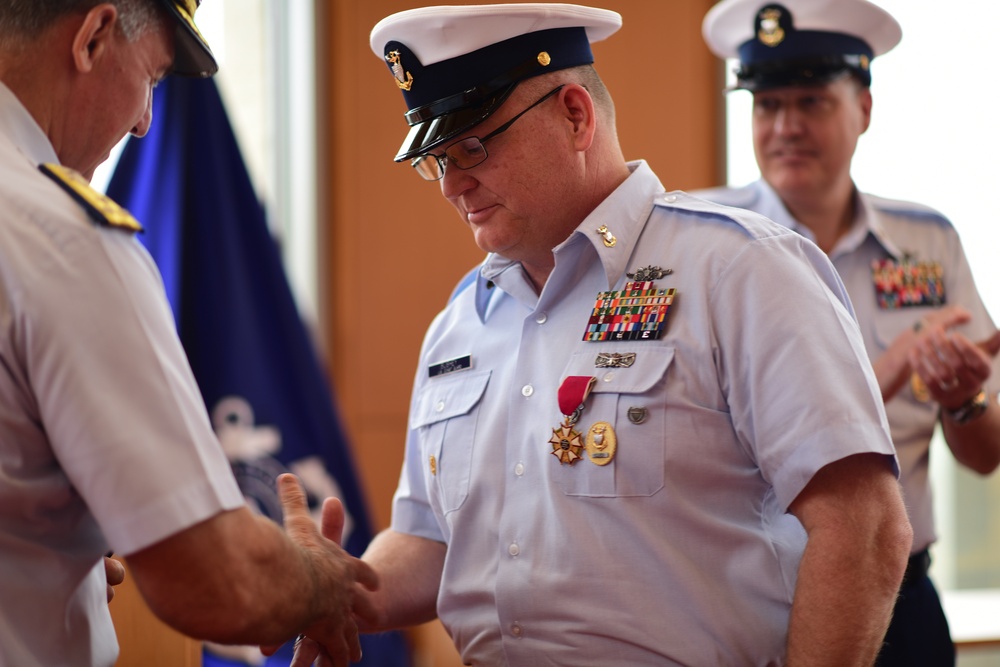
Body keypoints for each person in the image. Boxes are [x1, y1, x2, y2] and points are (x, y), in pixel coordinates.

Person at [294, 3, 911, 665]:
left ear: (575, 115)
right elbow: (431, 540)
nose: (452, 184)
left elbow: (864, 526)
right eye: (436, 158)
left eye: (473, 145)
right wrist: (330, 587)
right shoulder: (462, 321)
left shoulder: (738, 270)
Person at [0, 2, 378, 665]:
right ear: (92, 38)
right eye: (151, 76)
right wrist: (320, 580)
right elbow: (216, 580)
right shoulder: (63, 241)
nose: (146, 122)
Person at [697, 0, 1000, 664]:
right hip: (749, 595)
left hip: (901, 590)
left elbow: (985, 454)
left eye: (812, 101)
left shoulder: (929, 241)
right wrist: (886, 371)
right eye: (767, 104)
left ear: (864, 107)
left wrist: (963, 398)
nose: (786, 127)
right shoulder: (704, 241)